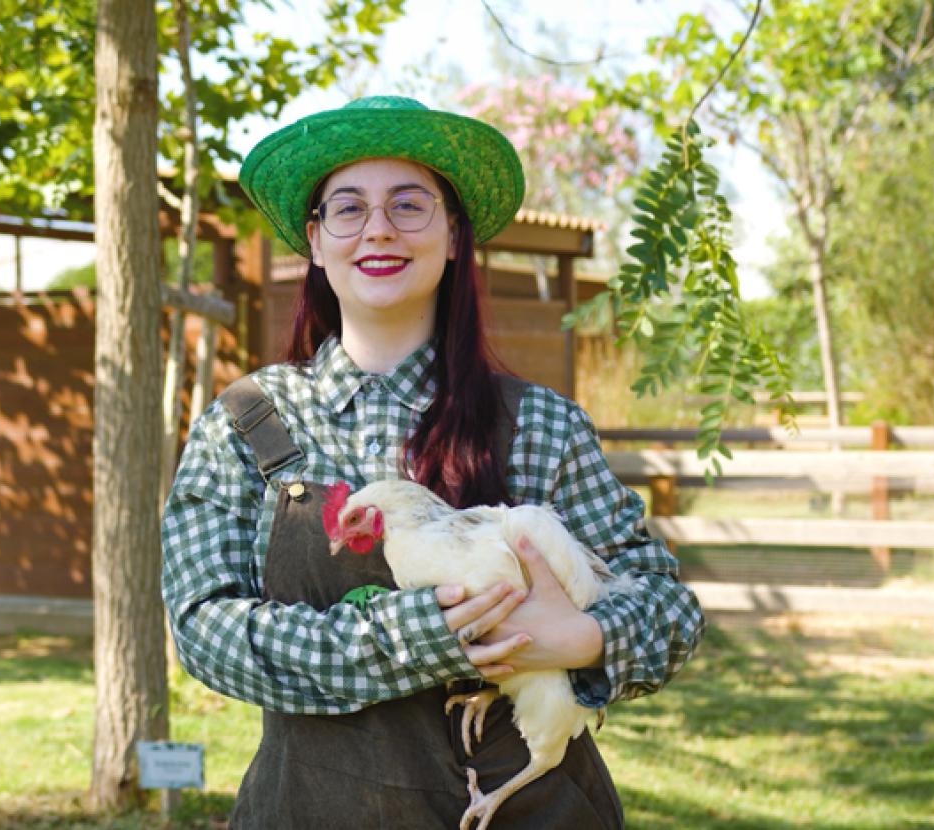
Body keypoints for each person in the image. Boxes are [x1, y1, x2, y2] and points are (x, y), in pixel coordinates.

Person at [162, 96, 705, 829]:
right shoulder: (246, 423)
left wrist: (581, 638)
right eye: (347, 208)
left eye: (410, 205)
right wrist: (411, 636)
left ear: (454, 236)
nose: (379, 228)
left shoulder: (539, 423)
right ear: (315, 243)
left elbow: (669, 608)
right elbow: (203, 629)